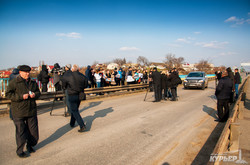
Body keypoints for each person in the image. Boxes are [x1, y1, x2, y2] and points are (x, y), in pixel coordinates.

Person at [6, 65, 41, 158]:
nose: (28, 74)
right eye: (26, 72)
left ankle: (30, 145)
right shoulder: (14, 82)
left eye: (29, 72)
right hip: (18, 111)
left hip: (31, 110)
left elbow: (38, 93)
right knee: (21, 132)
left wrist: (35, 95)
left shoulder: (33, 82)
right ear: (20, 72)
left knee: (34, 133)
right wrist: (21, 97)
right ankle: (20, 150)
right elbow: (8, 94)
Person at [61, 64, 87, 132]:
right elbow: (86, 85)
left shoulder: (68, 76)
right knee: (75, 109)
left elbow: (64, 85)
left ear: (72, 69)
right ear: (78, 69)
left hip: (72, 95)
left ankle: (82, 125)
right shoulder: (83, 76)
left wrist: (66, 87)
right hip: (80, 95)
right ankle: (72, 123)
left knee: (74, 110)